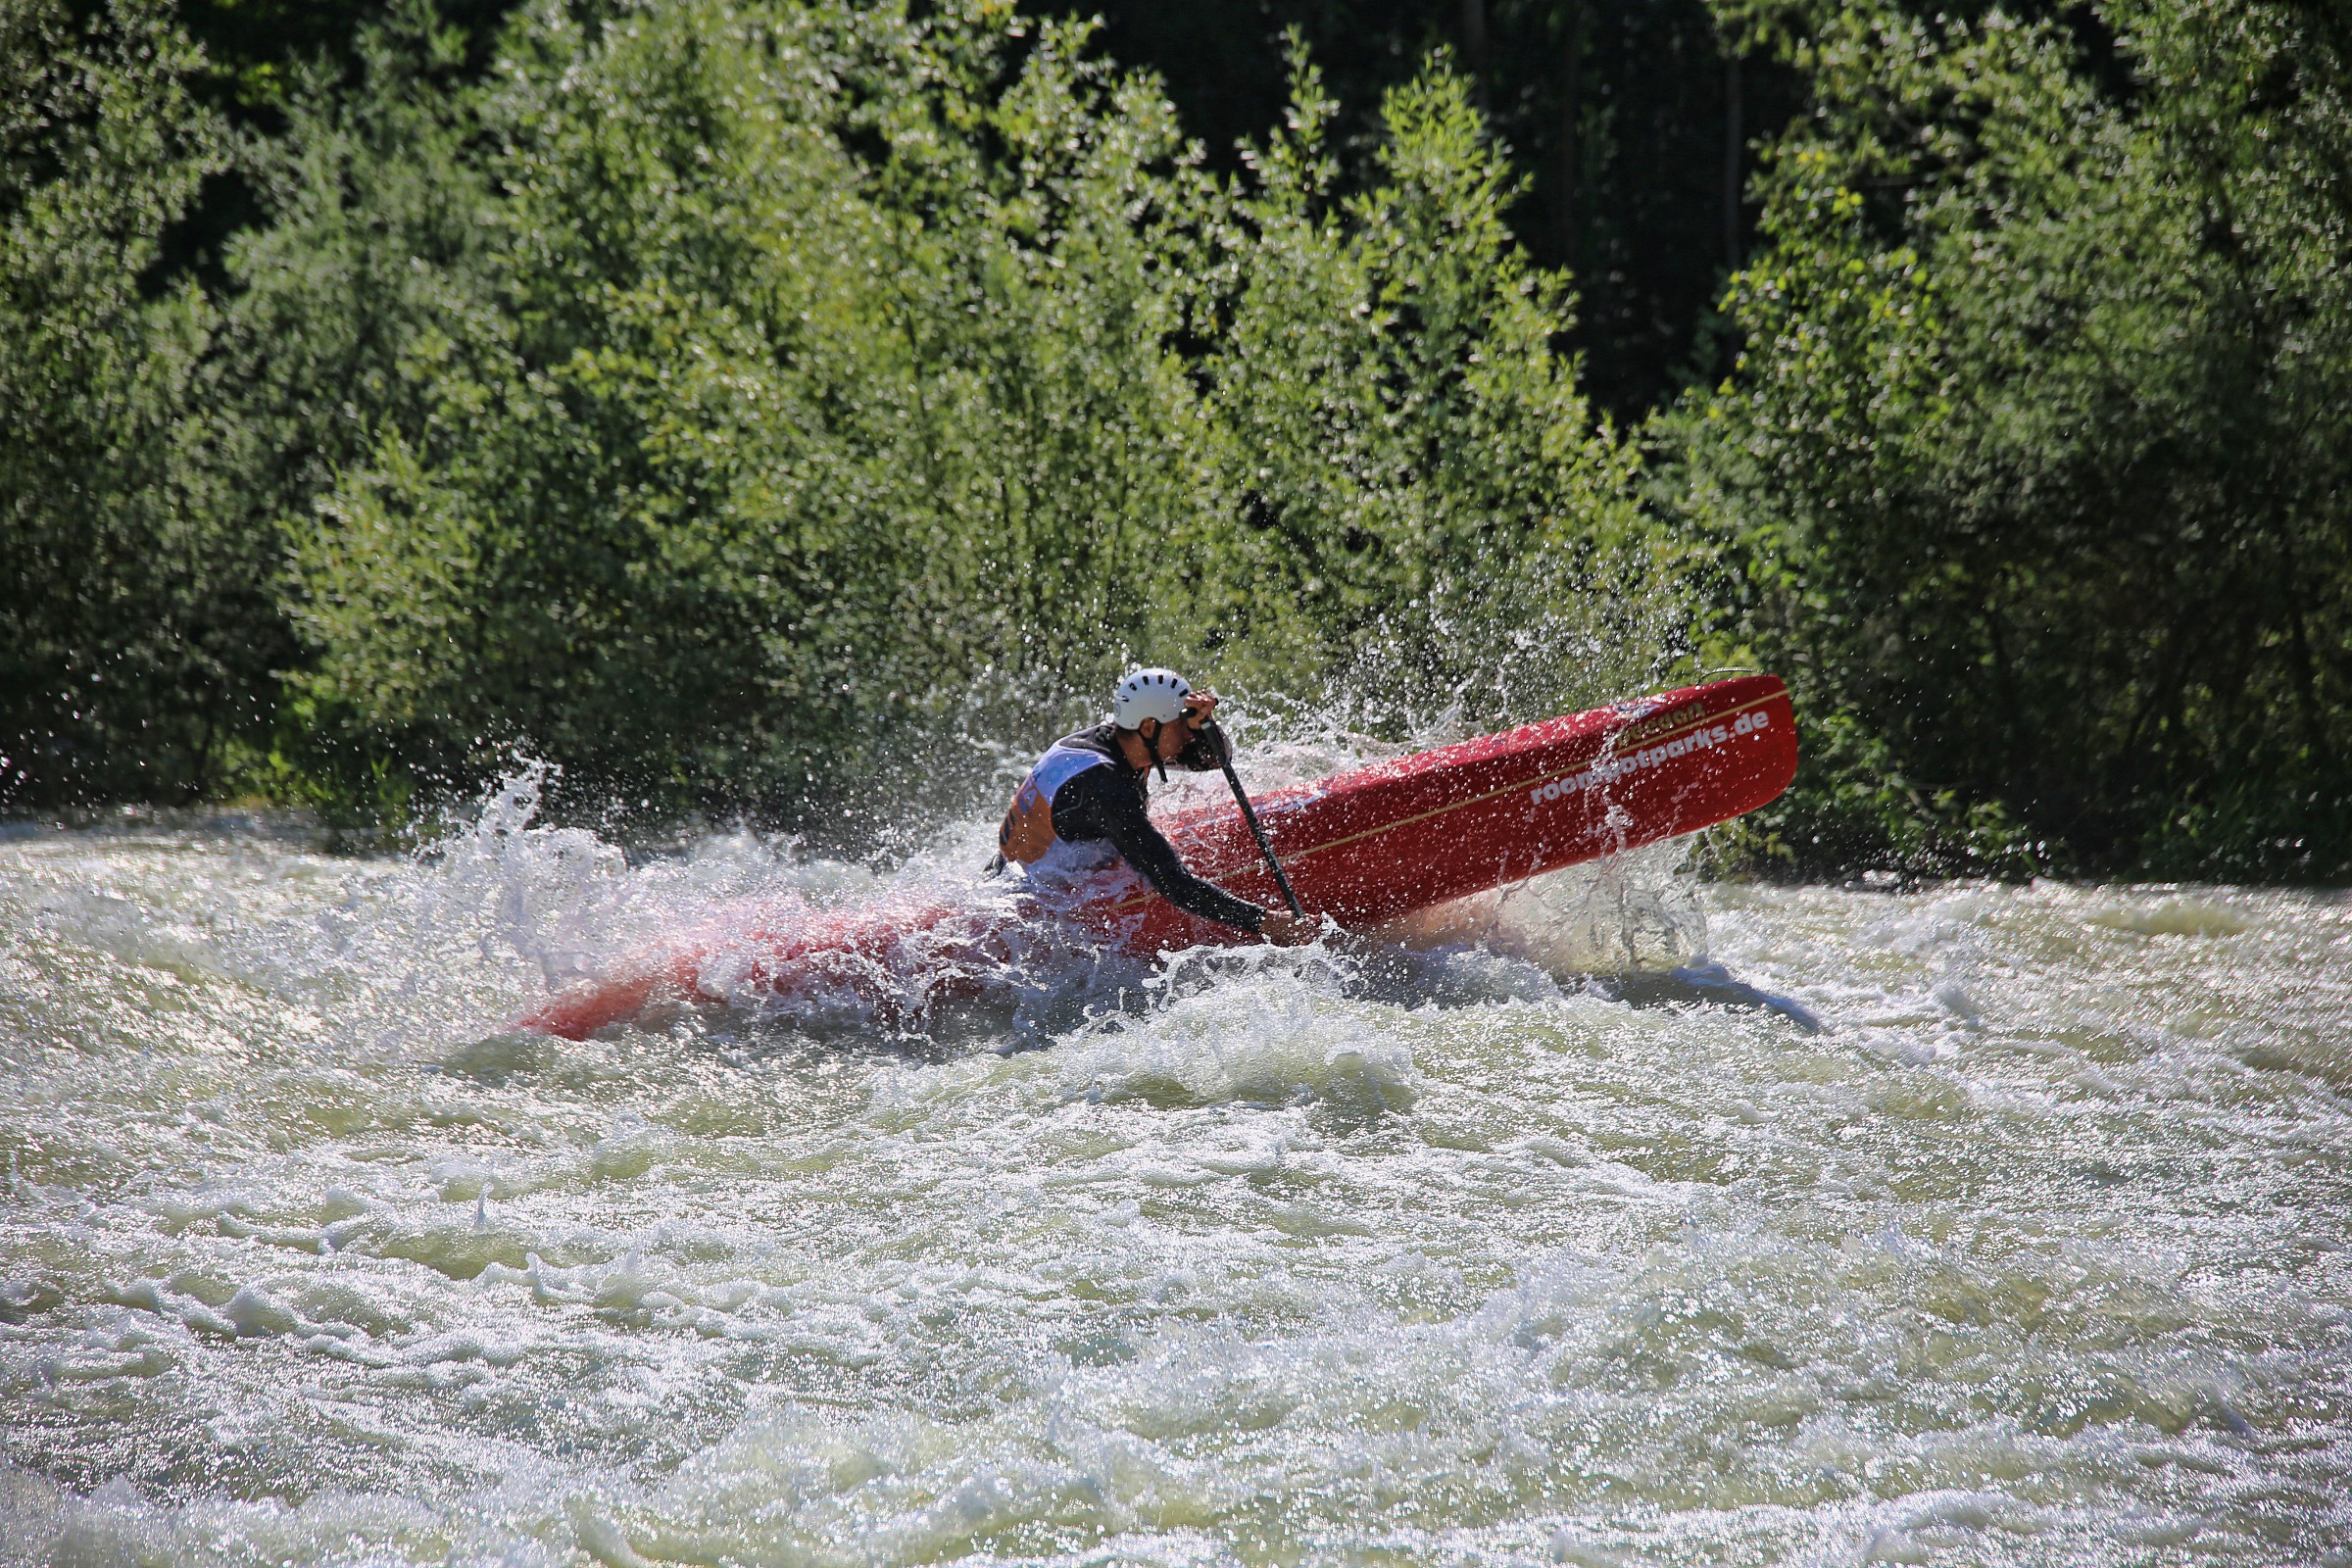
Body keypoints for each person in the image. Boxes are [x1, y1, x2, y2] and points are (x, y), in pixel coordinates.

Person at [991, 668, 1313, 944]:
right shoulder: (1103, 786)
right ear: (1148, 727)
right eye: (1180, 727)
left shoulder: (1126, 740)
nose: (1187, 737)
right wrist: (1269, 923)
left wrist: (1204, 725)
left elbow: (1213, 759)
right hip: (1032, 902)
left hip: (1039, 869)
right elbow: (1175, 884)